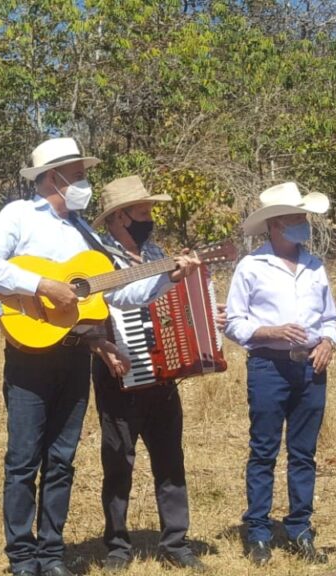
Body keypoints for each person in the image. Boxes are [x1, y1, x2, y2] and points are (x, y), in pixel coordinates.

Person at [0, 138, 199, 576]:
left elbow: (120, 291)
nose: (84, 182)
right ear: (51, 178)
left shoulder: (86, 233)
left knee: (61, 459)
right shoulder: (19, 215)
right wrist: (43, 286)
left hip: (76, 354)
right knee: (23, 460)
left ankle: (51, 554)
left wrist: (168, 278)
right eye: (77, 175)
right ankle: (22, 557)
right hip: (30, 353)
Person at [87, 175, 224, 572]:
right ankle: (116, 546)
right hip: (118, 369)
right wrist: (168, 277)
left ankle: (176, 542)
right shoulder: (98, 259)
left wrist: (206, 316)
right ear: (120, 217)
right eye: (143, 212)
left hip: (162, 373)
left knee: (170, 458)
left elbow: (177, 306)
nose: (150, 218)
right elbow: (117, 298)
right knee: (118, 461)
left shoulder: (157, 253)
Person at [223, 182, 336, 567]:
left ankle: (299, 527)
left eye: (303, 217)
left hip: (310, 366)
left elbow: (330, 319)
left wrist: (328, 342)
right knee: (264, 450)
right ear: (274, 224)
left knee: (304, 452)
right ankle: (258, 531)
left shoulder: (315, 265)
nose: (302, 223)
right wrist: (268, 332)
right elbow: (234, 322)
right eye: (294, 217)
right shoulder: (251, 266)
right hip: (268, 366)